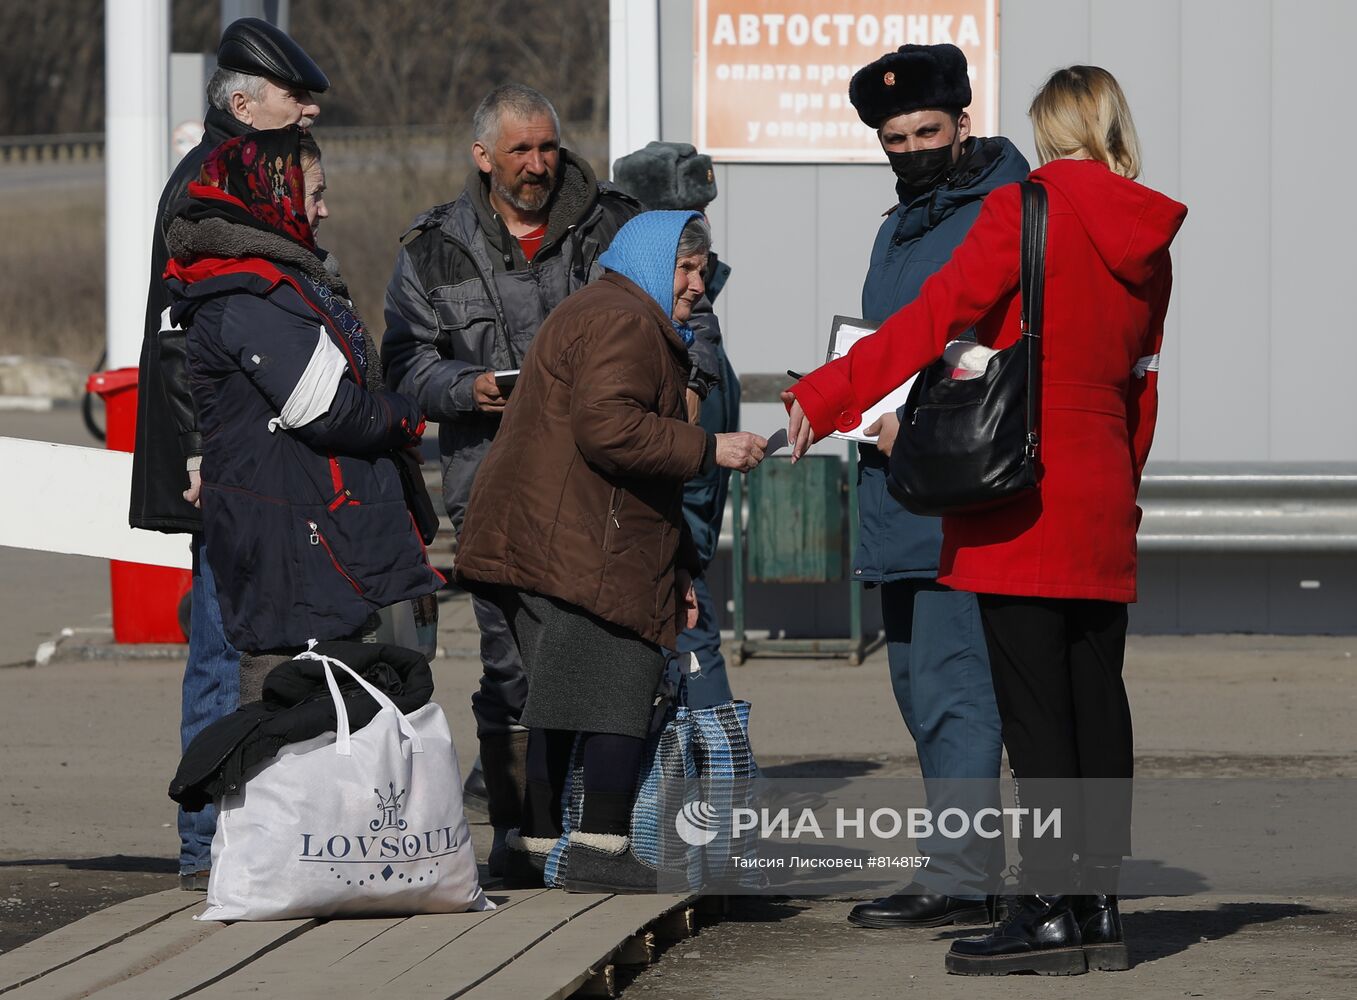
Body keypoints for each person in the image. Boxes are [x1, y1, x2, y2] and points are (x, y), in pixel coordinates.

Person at [787, 66, 1186, 976]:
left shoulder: (1023, 211)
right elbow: (1144, 382)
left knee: (1034, 709)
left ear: (1046, 133)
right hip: (1099, 486)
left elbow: (932, 320)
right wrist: (1120, 485)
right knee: (1097, 704)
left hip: (1023, 494)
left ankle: (1044, 910)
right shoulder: (1149, 234)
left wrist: (827, 390)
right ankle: (1096, 905)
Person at [454, 211, 767, 892]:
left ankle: (532, 847)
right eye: (685, 269)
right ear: (651, 263)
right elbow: (609, 429)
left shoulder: (605, 311)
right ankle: (601, 847)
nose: (697, 285)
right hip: (579, 543)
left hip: (556, 538)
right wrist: (711, 447)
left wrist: (679, 563)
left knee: (561, 697)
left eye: (703, 270)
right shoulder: (625, 320)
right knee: (616, 687)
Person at [382, 84, 643, 865]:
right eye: (520, 151)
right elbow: (403, 362)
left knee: (605, 656)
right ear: (482, 156)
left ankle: (604, 837)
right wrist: (470, 389)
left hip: (601, 484)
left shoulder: (613, 224)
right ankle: (519, 839)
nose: (536, 165)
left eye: (547, 148)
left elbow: (677, 318)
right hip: (492, 486)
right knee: (511, 666)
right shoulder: (432, 248)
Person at [127, 16, 328, 890]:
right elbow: (185, 343)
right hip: (228, 467)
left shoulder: (250, 172)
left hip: (257, 460)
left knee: (256, 651)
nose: (310, 107)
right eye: (294, 95)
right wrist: (209, 460)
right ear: (245, 102)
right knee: (219, 655)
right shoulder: (214, 184)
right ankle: (206, 847)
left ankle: (245, 839)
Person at [838, 43, 1028, 930]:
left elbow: (1001, 359)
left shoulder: (999, 211)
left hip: (956, 485)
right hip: (894, 487)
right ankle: (962, 861)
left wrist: (908, 420)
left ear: (962, 122)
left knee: (955, 688)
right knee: (916, 687)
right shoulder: (897, 224)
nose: (909, 148)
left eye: (925, 130)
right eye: (892, 137)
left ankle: (960, 874)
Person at [162, 126, 444, 706]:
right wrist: (405, 417)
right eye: (313, 194)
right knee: (292, 740)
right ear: (272, 196)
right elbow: (326, 409)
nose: (324, 210)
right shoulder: (253, 293)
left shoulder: (279, 279)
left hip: (316, 539)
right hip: (297, 553)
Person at [610, 141, 738, 709]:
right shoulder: (650, 312)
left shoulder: (694, 307)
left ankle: (716, 776)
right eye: (688, 216)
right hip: (669, 523)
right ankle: (719, 777)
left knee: (690, 641)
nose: (704, 227)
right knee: (691, 643)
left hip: (689, 521)